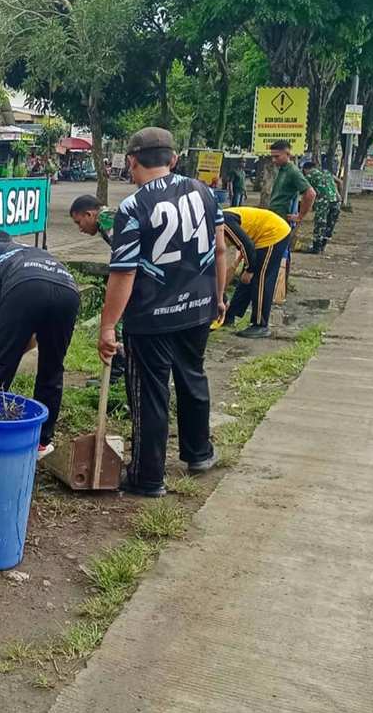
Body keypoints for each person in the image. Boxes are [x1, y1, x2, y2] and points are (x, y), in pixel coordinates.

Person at [99, 127, 227, 498]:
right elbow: (220, 250)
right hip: (198, 308)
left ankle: (148, 476)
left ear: (131, 161)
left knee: (150, 393)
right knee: (192, 377)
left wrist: (108, 326)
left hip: (151, 317)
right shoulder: (205, 192)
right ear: (173, 159)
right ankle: (198, 452)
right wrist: (218, 296)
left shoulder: (133, 207)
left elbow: (124, 272)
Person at [0, 230, 80, 456]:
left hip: (26, 287)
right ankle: (41, 443)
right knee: (52, 370)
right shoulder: (29, 252)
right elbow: (30, 336)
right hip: (68, 290)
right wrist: (8, 346)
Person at [68, 193, 127, 383]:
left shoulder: (106, 219)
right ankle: (119, 371)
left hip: (139, 277)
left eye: (79, 223)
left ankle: (117, 373)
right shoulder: (107, 219)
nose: (80, 229)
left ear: (90, 214)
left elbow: (123, 258)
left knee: (117, 320)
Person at [221, 206, 293, 339]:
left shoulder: (224, 222)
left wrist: (249, 270)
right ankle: (229, 316)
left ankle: (260, 325)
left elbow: (246, 246)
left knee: (260, 278)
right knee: (246, 279)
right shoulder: (214, 225)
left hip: (273, 233)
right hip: (259, 236)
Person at [268, 140, 316, 223]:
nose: (273, 160)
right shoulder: (282, 169)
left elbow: (310, 193)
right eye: (272, 157)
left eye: (277, 156)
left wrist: (300, 216)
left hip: (283, 220)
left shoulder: (293, 171)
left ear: (287, 154)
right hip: (275, 217)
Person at [301, 160, 341, 254]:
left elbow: (306, 193)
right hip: (336, 201)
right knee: (329, 225)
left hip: (324, 202)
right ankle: (322, 246)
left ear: (306, 169)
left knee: (320, 224)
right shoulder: (326, 173)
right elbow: (340, 182)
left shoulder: (310, 175)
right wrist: (338, 194)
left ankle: (316, 248)